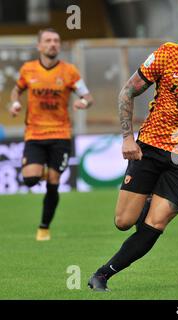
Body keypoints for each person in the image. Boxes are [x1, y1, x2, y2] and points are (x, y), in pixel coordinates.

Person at [88, 9, 178, 291]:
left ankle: (102, 275)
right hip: (150, 147)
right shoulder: (167, 56)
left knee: (157, 223)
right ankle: (146, 201)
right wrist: (127, 138)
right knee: (124, 221)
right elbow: (127, 92)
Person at [8, 28, 94, 241]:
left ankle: (44, 227)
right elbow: (16, 90)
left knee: (53, 181)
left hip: (60, 134)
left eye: (56, 40)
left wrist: (83, 102)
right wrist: (16, 102)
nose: (53, 44)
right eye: (48, 41)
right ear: (39, 46)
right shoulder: (28, 70)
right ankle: (44, 171)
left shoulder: (69, 71)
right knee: (29, 180)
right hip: (35, 134)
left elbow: (88, 96)